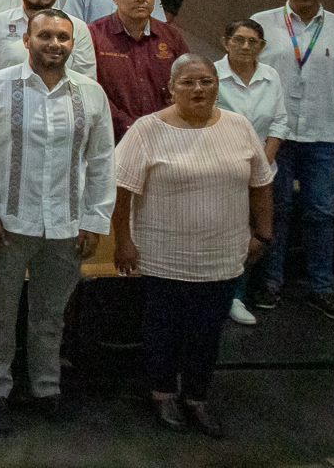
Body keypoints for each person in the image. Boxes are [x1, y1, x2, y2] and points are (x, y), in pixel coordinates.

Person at [0, 10, 115, 434]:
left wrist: (95, 219)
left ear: (73, 43)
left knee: (50, 315)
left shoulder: (90, 93)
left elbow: (102, 161)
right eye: (45, 35)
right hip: (9, 223)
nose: (54, 44)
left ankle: (46, 388)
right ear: (26, 40)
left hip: (67, 225)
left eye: (63, 37)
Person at [108, 54, 272, 438]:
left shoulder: (239, 126)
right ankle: (162, 392)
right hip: (164, 254)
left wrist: (262, 233)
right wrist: (124, 242)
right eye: (188, 83)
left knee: (207, 330)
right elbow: (120, 191)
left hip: (223, 253)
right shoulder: (147, 130)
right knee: (163, 327)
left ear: (218, 85)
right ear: (171, 89)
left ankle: (197, 396)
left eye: (206, 81)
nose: (198, 89)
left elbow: (261, 182)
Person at [250, 0, 334, 323]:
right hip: (275, 136)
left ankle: (322, 288)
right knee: (278, 208)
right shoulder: (262, 23)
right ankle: (271, 283)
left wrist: (328, 104)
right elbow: (245, 69)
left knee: (321, 211)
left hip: (323, 136)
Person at [214, 19, 288, 326]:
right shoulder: (212, 75)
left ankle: (237, 296)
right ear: (225, 42)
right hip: (221, 166)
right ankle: (215, 295)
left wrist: (261, 161)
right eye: (239, 39)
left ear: (262, 46)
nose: (246, 46)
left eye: (253, 41)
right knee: (223, 232)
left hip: (261, 170)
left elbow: (280, 122)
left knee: (254, 234)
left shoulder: (271, 76)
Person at [88, 0, 189, 139]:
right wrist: (128, 126)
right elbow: (90, 89)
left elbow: (186, 83)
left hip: (166, 134)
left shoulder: (172, 37)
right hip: (111, 136)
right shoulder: (94, 35)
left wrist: (163, 121)